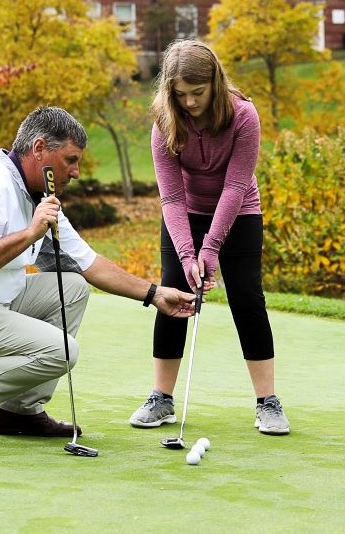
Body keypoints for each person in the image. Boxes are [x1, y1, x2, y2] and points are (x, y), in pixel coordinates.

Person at [0, 106, 197, 442]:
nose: (75, 172)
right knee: (61, 351)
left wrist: (155, 294)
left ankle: (19, 411)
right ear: (39, 148)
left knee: (72, 286)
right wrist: (30, 233)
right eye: (70, 160)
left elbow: (89, 265)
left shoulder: (38, 197)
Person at [128, 40, 290, 435]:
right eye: (180, 94)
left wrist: (211, 247)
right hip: (184, 212)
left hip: (240, 212)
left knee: (248, 299)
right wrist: (188, 254)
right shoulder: (165, 121)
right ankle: (161, 398)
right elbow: (171, 195)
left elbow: (236, 185)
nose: (189, 102)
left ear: (214, 84)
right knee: (173, 294)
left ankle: (267, 402)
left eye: (197, 93)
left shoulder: (244, 116)